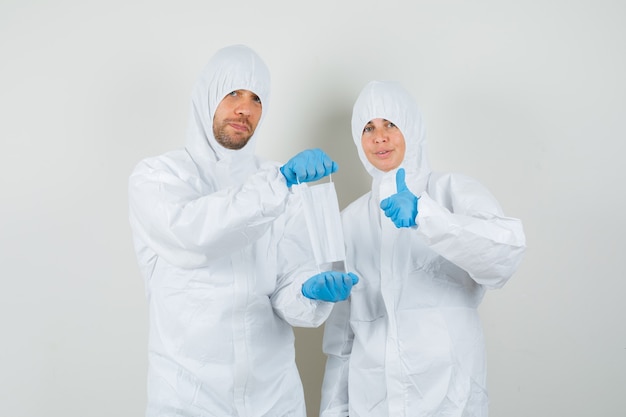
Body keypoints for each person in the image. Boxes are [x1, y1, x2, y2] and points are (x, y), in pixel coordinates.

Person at [128, 45, 358, 417]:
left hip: (273, 398)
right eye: (232, 92)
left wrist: (307, 290)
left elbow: (284, 291)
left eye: (256, 99)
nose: (245, 109)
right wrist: (278, 185)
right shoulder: (158, 177)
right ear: (207, 96)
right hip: (187, 398)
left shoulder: (278, 182)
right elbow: (195, 235)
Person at [319, 80, 526, 417]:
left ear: (411, 128)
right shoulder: (350, 221)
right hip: (372, 402)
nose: (379, 137)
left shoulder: (449, 191)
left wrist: (427, 217)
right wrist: (333, 411)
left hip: (449, 398)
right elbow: (341, 341)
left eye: (390, 124)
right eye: (368, 128)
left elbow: (505, 256)